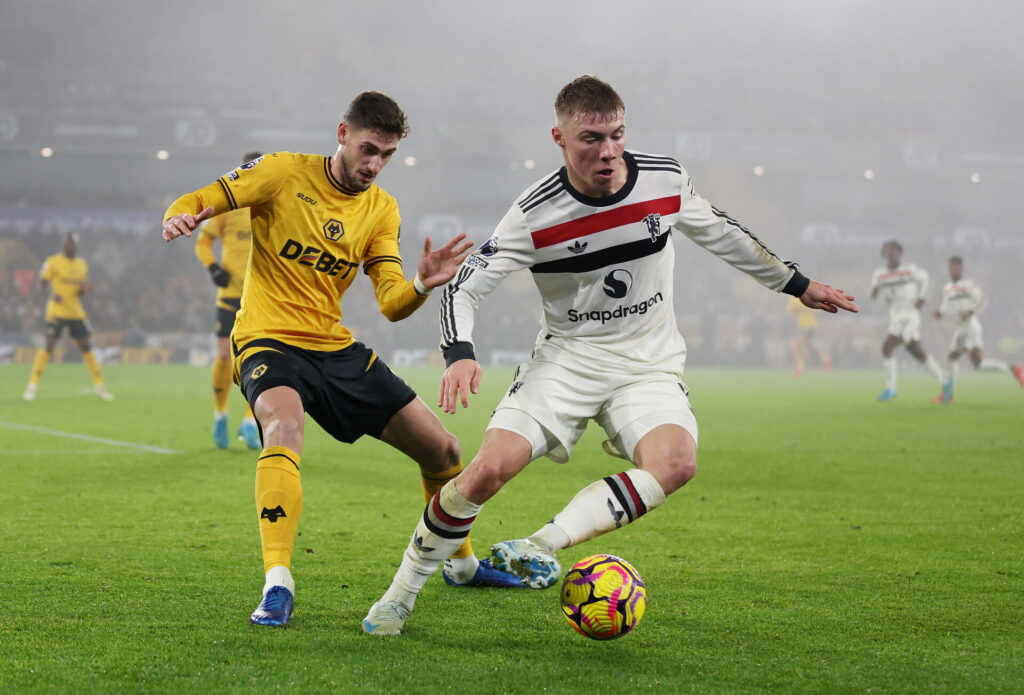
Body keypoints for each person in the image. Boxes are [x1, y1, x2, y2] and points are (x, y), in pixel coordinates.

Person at [362, 75, 858, 635]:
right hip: (567, 361)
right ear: (559, 138)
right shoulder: (534, 216)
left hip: (648, 365)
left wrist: (798, 283)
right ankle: (399, 596)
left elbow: (725, 234)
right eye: (591, 139)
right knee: (486, 472)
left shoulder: (665, 180)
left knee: (676, 464)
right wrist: (459, 353)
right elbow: (464, 284)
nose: (608, 151)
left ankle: (542, 544)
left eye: (617, 135)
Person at [162, 91, 520, 628]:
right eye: (368, 149)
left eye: (387, 155)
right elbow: (198, 196)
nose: (374, 165)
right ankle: (278, 581)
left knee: (444, 447)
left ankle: (462, 565)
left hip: (333, 347)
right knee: (284, 425)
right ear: (342, 134)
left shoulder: (381, 209)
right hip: (268, 340)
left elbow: (392, 304)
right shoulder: (282, 172)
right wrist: (180, 217)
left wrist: (422, 281)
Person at [194, 151, 263, 450]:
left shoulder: (275, 206)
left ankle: (249, 421)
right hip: (230, 294)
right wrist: (212, 268)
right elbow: (203, 241)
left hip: (261, 296)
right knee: (225, 355)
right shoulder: (227, 206)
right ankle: (220, 415)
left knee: (257, 359)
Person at [23, 232, 113, 401]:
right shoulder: (53, 262)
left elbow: (77, 291)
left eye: (73, 244)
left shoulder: (81, 265)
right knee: (48, 346)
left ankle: (100, 386)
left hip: (75, 311)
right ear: (63, 245)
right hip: (56, 311)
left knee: (86, 346)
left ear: (76, 246)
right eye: (68, 243)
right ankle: (32, 386)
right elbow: (40, 285)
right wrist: (50, 294)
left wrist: (84, 291)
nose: (70, 246)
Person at [932, 256, 1023, 401]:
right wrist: (940, 313)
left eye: (956, 267)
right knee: (965, 361)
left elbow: (983, 299)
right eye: (951, 267)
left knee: (962, 360)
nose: (953, 270)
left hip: (970, 327)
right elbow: (947, 307)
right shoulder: (947, 288)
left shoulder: (968, 284)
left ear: (961, 268)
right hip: (962, 328)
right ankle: (1014, 369)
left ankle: (947, 394)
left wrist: (970, 313)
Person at [869, 240, 947, 402]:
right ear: (883, 254)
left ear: (900, 253)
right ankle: (945, 382)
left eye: (895, 251)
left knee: (887, 346)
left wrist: (922, 298)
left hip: (910, 315)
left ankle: (891, 389)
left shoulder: (909, 270)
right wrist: (875, 291)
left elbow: (926, 279)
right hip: (896, 317)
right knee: (917, 351)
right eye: (888, 251)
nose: (891, 254)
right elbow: (872, 296)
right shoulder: (879, 274)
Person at [786, 295, 832, 376]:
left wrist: (803, 306)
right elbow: (789, 310)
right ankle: (824, 358)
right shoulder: (794, 296)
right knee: (805, 345)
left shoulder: (808, 293)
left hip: (809, 324)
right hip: (800, 325)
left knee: (801, 342)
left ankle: (800, 365)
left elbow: (816, 308)